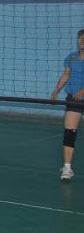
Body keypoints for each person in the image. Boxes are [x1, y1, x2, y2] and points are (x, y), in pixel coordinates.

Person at [51, 29, 84, 181]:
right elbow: (66, 74)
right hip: (74, 99)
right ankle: (67, 167)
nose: (82, 40)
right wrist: (56, 90)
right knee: (69, 132)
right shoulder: (71, 57)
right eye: (80, 38)